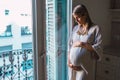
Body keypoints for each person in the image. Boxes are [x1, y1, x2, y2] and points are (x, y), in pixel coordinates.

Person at [67, 4, 103, 80]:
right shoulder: (75, 28)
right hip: (73, 68)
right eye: (75, 18)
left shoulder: (95, 28)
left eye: (78, 17)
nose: (76, 20)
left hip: (85, 68)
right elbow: (70, 46)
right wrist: (69, 62)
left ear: (85, 15)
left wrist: (81, 44)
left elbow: (99, 47)